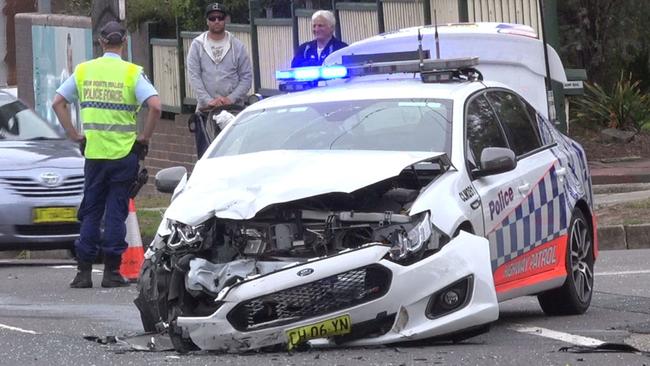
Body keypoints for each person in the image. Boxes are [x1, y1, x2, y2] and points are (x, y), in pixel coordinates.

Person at [52, 21, 162, 289]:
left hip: (94, 153)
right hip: (124, 154)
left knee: (91, 211)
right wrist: (144, 137)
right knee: (115, 212)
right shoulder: (132, 73)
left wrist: (73, 134)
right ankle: (112, 272)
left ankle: (84, 273)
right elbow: (155, 106)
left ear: (101, 42)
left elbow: (58, 102)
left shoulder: (84, 71)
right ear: (123, 41)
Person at [186, 2, 253, 111]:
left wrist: (230, 99)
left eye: (220, 17)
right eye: (212, 18)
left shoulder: (237, 46)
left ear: (225, 19)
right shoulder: (197, 45)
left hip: (233, 108)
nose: (216, 21)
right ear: (207, 21)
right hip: (206, 109)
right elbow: (194, 77)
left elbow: (246, 77)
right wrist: (208, 100)